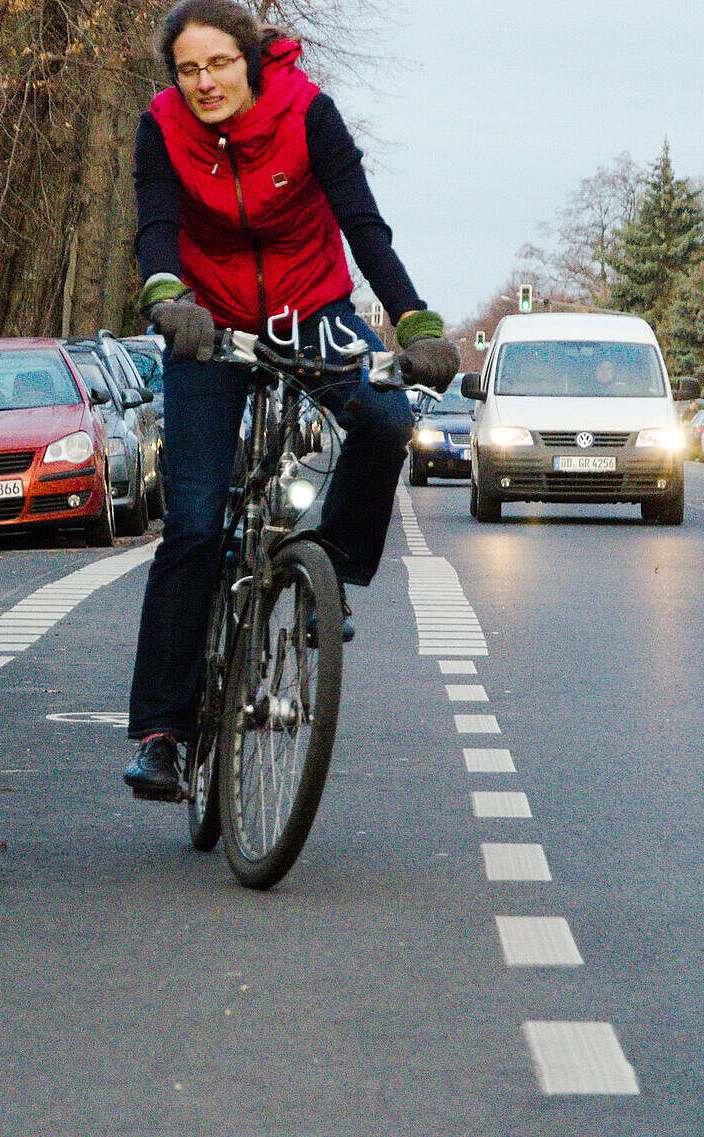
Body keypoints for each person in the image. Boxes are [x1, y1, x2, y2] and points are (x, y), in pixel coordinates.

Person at [122, 0, 459, 800]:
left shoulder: (308, 114)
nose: (205, 82)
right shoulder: (161, 127)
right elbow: (156, 225)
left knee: (386, 417)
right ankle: (163, 733)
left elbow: (363, 226)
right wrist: (168, 297)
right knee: (195, 522)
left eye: (219, 64)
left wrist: (415, 322)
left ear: (250, 59)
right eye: (189, 70)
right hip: (209, 322)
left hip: (313, 309)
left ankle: (331, 567)